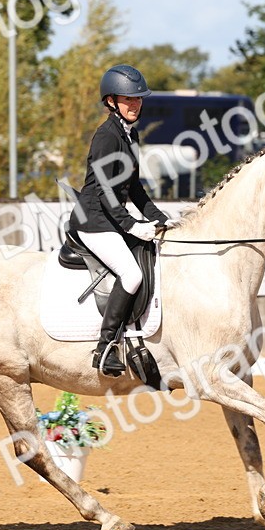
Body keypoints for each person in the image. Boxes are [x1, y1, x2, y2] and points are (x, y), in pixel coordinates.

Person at [68, 64, 169, 377]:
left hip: (110, 217)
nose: (135, 104)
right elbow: (105, 191)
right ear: (111, 101)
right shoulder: (106, 136)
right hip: (93, 220)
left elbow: (134, 186)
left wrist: (158, 216)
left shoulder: (130, 133)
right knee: (131, 274)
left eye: (138, 99)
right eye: (128, 99)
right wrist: (131, 225)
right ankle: (106, 346)